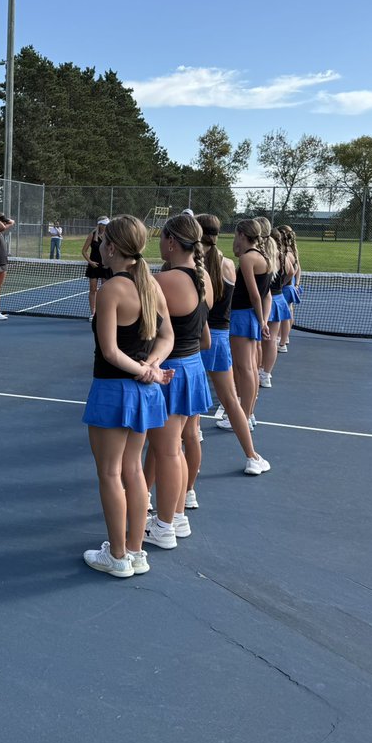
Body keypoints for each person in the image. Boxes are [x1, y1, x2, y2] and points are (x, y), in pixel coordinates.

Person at [81, 213, 174, 578]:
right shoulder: (150, 284)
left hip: (114, 391)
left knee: (109, 474)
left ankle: (118, 556)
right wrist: (151, 367)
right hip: (143, 393)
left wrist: (144, 368)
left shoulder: (111, 291)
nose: (99, 248)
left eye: (103, 242)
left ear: (113, 247)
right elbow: (166, 337)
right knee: (133, 471)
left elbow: (110, 352)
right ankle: (135, 552)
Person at [144, 213, 212, 549]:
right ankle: (177, 516)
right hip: (192, 366)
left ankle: (164, 526)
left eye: (161, 238)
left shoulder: (165, 281)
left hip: (172, 371)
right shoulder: (203, 278)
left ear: (171, 242)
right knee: (175, 448)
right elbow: (203, 335)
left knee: (168, 451)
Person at [196, 214, 270, 477]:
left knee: (191, 405)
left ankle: (187, 484)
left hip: (197, 339)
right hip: (219, 338)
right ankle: (252, 456)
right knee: (230, 399)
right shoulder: (228, 264)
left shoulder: (194, 263)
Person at [222, 219, 271, 436]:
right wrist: (261, 320)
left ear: (242, 234)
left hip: (243, 316)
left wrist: (261, 322)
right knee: (248, 367)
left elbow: (254, 294)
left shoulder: (248, 258)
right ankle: (247, 414)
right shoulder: (264, 257)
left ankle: (244, 416)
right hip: (249, 316)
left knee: (244, 369)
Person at [259, 228, 294, 390]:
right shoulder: (283, 256)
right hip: (278, 298)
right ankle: (266, 374)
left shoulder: (263, 258)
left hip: (268, 299)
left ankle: (260, 370)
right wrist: (282, 283)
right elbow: (291, 272)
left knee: (259, 341)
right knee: (271, 340)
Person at [83, 218, 112, 317]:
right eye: (103, 224)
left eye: (106, 225)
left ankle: (103, 312)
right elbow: (84, 251)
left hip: (105, 266)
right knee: (93, 289)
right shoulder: (92, 235)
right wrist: (90, 262)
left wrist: (108, 262)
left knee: (105, 290)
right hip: (94, 266)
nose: (105, 226)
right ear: (99, 225)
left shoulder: (109, 236)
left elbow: (113, 251)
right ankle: (93, 313)